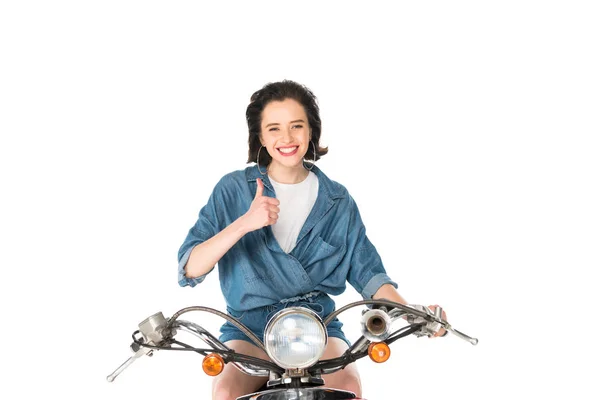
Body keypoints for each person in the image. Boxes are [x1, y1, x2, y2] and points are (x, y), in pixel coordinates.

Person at [178, 80, 446, 400]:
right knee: (225, 394)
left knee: (350, 390)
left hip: (317, 325)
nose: (287, 138)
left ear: (311, 132)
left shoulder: (337, 200)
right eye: (274, 128)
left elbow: (368, 275)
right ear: (261, 136)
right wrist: (244, 223)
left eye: (297, 126)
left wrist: (415, 314)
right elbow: (191, 267)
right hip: (248, 329)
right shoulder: (232, 189)